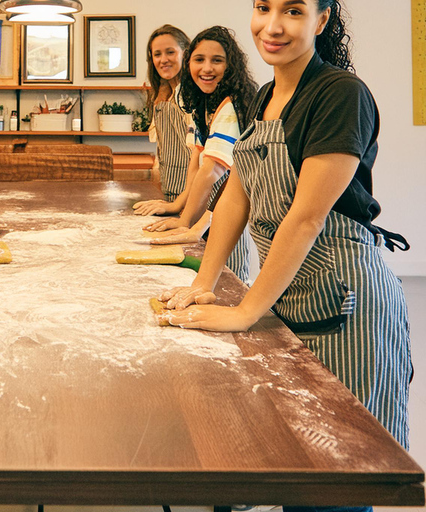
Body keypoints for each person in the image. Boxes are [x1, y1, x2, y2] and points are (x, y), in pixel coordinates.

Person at [161, 0, 412, 489]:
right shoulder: (265, 97)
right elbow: (237, 193)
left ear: (321, 20)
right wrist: (205, 281)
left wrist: (244, 311)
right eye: (262, 7)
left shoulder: (340, 94)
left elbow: (306, 218)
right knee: (296, 459)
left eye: (293, 11)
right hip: (289, 291)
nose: (271, 26)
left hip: (342, 298)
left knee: (338, 472)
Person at [145, 26, 258, 283]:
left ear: (231, 66)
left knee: (229, 283)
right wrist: (181, 212)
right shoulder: (202, 104)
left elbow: (213, 172)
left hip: (226, 214)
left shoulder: (229, 107)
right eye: (200, 60)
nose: (207, 68)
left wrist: (190, 224)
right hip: (201, 209)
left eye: (217, 61)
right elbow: (196, 161)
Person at [132, 24, 192, 216]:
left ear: (185, 53)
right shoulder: (163, 95)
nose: (163, 60)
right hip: (172, 193)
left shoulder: (190, 95)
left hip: (197, 197)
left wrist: (183, 202)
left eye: (170, 52)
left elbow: (205, 160)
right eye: (157, 54)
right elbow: (163, 150)